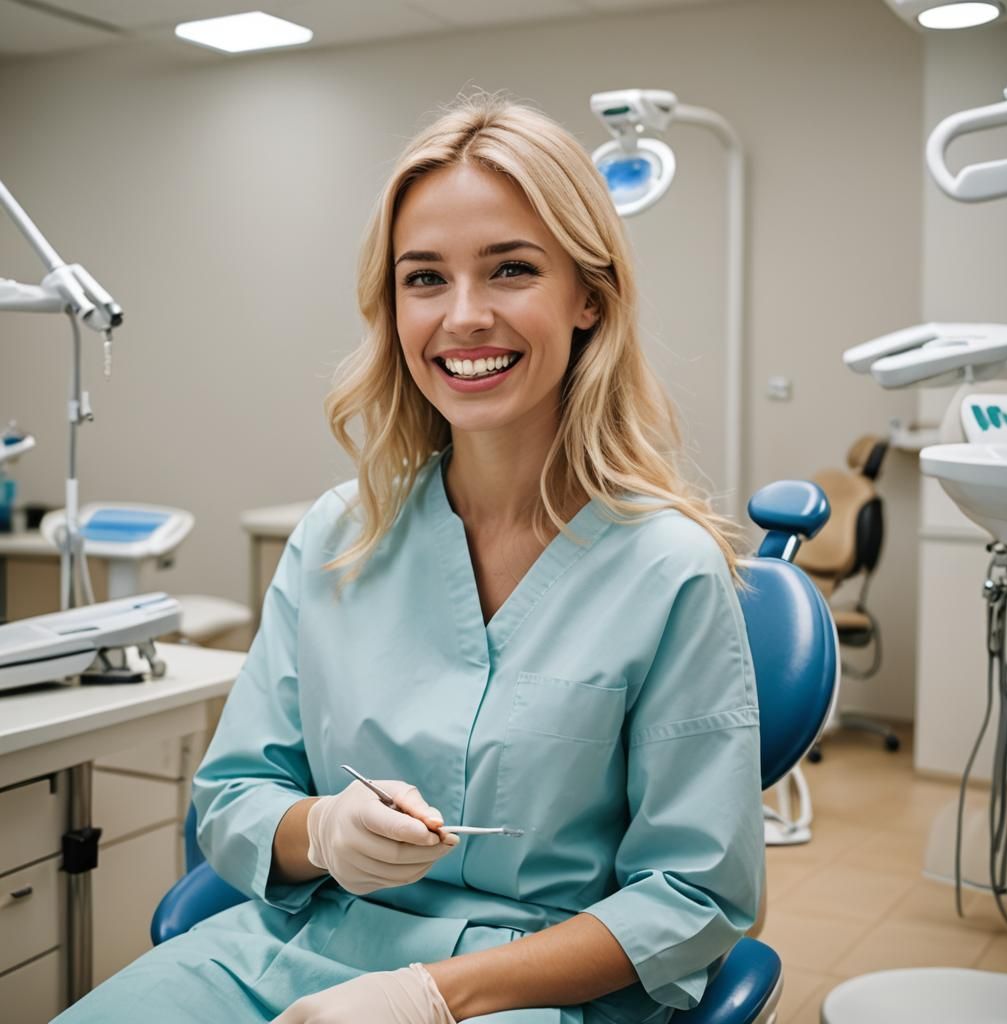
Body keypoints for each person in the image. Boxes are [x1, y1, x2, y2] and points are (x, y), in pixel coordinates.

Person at [54, 93, 763, 1024]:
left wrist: (432, 995)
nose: (463, 317)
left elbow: (694, 895)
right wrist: (324, 833)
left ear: (589, 295)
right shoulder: (338, 538)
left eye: (511, 268)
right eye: (424, 278)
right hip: (288, 948)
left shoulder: (666, 569)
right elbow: (232, 796)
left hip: (531, 988)